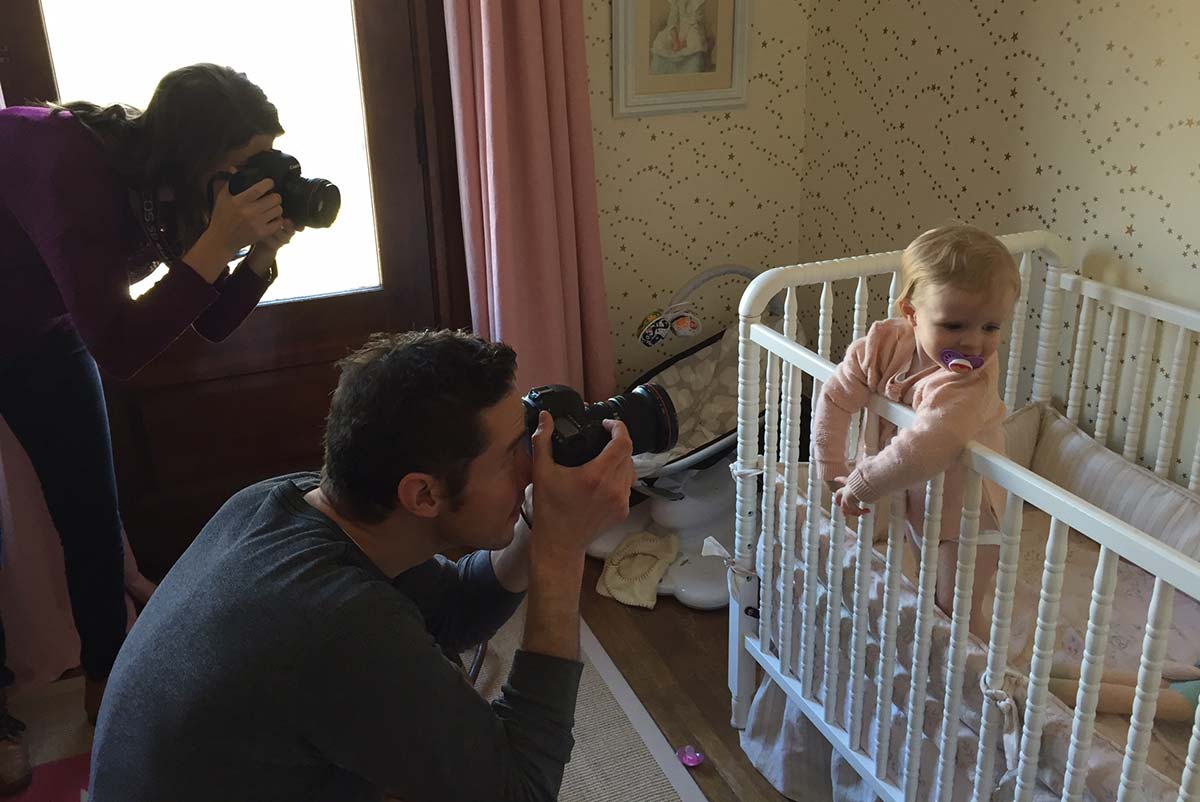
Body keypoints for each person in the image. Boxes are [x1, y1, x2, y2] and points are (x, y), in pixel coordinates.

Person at [87, 329, 636, 802]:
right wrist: (563, 555)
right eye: (514, 452)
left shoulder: (281, 501)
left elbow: (448, 613)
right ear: (422, 495)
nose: (533, 465)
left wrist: (540, 529)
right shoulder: (340, 625)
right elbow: (523, 790)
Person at [0, 63, 298, 792]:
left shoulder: (173, 189)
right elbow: (124, 345)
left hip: (41, 328)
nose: (251, 181)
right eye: (243, 166)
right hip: (36, 314)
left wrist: (257, 255)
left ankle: (108, 686)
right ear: (197, 153)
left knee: (92, 519)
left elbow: (210, 318)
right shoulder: (69, 166)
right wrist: (217, 238)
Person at [812, 223, 1020, 640]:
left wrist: (860, 483)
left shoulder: (966, 384)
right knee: (931, 599)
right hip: (923, 504)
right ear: (910, 313)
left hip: (972, 515)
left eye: (991, 328)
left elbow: (928, 446)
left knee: (956, 613)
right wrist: (831, 464)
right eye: (955, 325)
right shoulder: (882, 345)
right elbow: (835, 398)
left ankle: (992, 683)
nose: (973, 344)